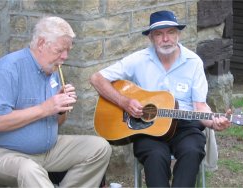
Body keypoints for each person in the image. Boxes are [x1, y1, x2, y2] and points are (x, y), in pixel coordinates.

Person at [90, 10, 232, 187]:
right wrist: (124, 102)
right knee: (156, 157)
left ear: (178, 34)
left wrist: (213, 123)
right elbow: (97, 78)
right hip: (148, 129)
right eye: (159, 34)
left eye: (171, 32)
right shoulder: (138, 60)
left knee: (192, 151)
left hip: (185, 126)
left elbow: (200, 105)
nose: (166, 39)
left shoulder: (193, 62)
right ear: (151, 37)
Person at [0, 16, 112, 187]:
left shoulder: (52, 70)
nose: (65, 56)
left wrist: (60, 109)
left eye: (68, 50)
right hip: (1, 153)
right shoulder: (9, 68)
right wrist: (45, 108)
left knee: (99, 148)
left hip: (47, 151)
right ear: (41, 43)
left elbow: (57, 122)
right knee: (29, 169)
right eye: (60, 50)